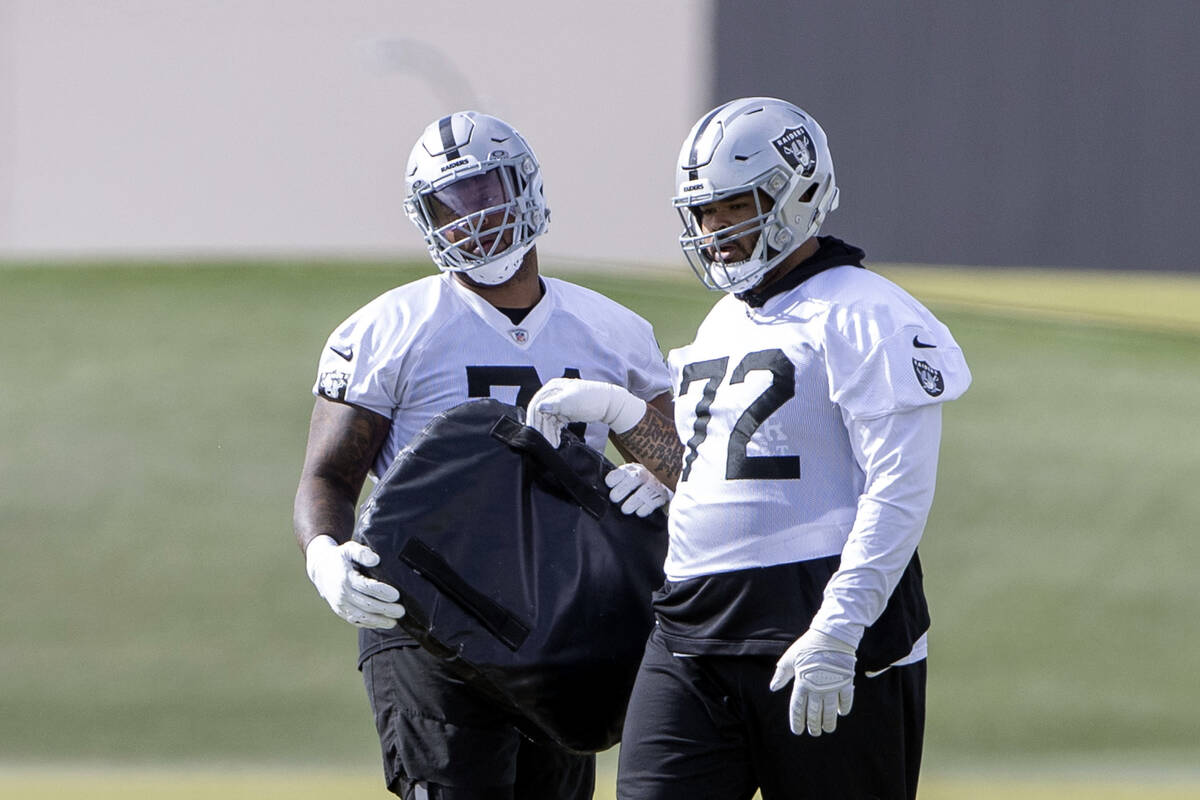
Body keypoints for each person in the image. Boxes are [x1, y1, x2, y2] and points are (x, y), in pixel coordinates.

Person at [526, 96, 972, 799]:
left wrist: (840, 625)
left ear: (797, 191)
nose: (715, 229)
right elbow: (715, 469)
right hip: (693, 622)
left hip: (818, 615)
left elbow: (898, 489)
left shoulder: (869, 313)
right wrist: (626, 417)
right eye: (703, 212)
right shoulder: (724, 321)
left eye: (736, 205)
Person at [292, 110, 674, 800]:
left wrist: (657, 464)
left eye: (485, 191)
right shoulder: (387, 329)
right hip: (431, 613)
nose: (471, 217)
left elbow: (685, 466)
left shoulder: (613, 331)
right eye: (449, 204)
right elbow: (328, 476)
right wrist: (325, 555)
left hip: (561, 618)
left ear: (523, 187)